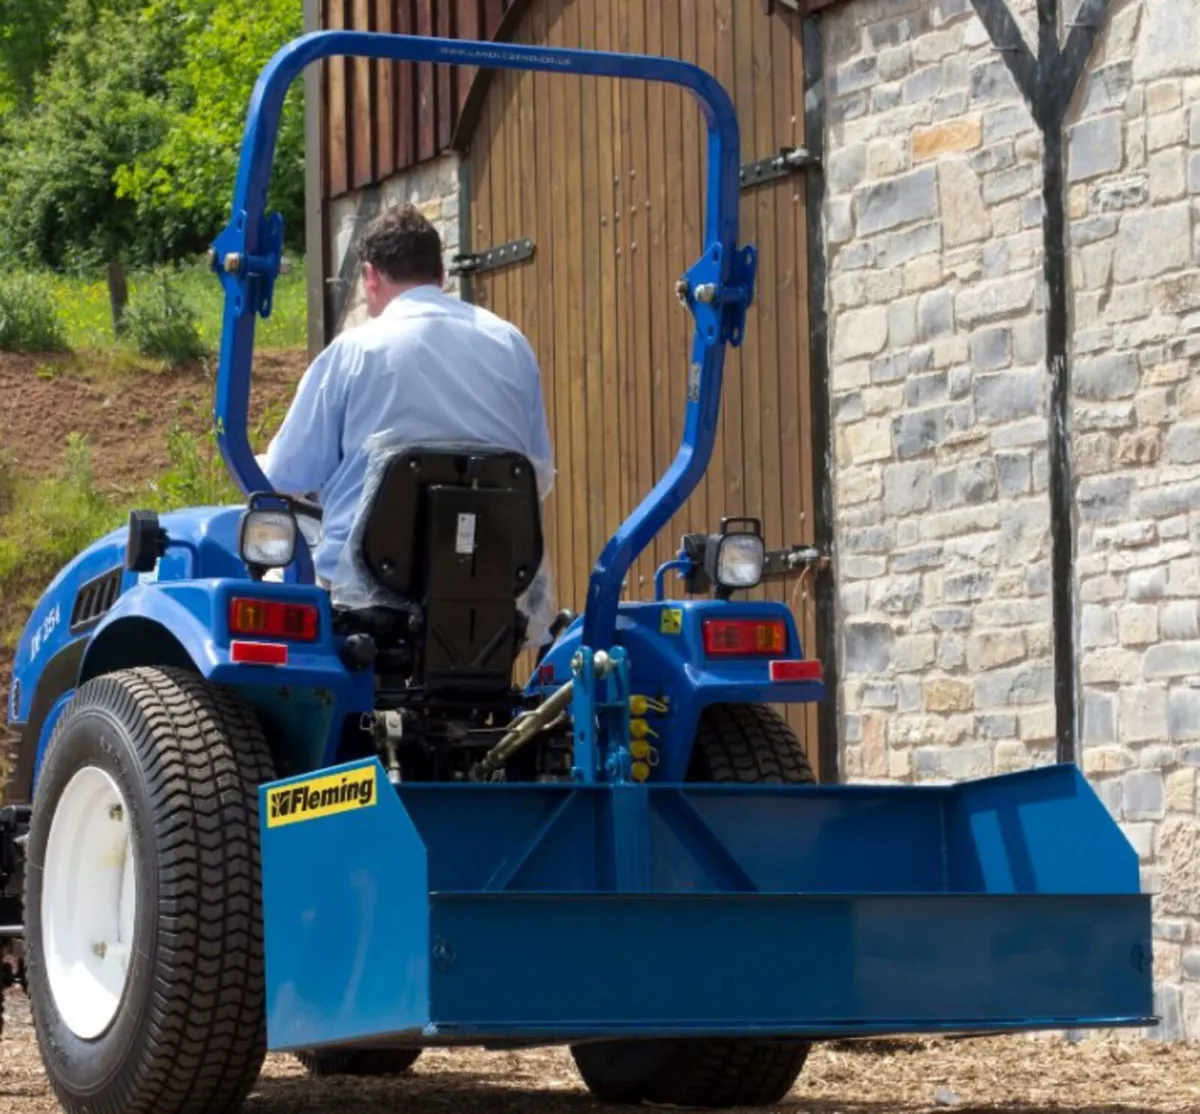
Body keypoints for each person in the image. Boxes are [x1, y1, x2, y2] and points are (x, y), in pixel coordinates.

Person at [258, 203, 555, 596]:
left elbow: (282, 477)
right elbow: (537, 477)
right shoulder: (511, 343)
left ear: (369, 277)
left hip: (365, 599)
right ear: (441, 275)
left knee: (272, 582)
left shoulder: (353, 352)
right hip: (488, 595)